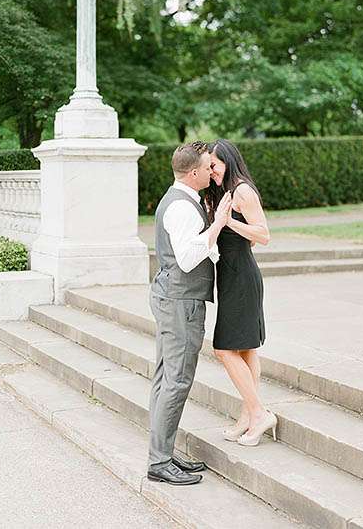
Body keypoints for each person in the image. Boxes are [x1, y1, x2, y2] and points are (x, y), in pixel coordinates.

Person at [148, 141, 231, 485]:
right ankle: (159, 461)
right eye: (208, 166)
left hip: (173, 297)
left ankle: (162, 450)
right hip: (180, 302)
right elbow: (186, 258)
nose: (212, 171)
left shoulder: (182, 199)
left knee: (165, 377)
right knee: (177, 379)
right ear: (193, 172)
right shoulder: (181, 207)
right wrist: (218, 224)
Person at [203, 139, 277, 446]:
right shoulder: (220, 193)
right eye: (208, 167)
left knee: (224, 349)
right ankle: (248, 416)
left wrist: (228, 221)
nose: (211, 172)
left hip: (243, 276)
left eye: (214, 166)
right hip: (230, 277)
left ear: (228, 162)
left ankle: (259, 414)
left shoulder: (243, 191)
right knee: (246, 350)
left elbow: (264, 235)